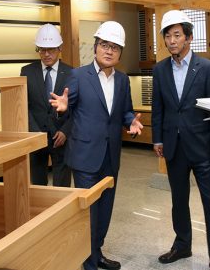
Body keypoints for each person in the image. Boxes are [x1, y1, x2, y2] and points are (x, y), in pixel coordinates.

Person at [50, 21, 143, 270]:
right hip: (84, 155)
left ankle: (97, 252)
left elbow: (124, 111)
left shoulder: (123, 81)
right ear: (95, 47)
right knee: (88, 211)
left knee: (105, 208)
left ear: (120, 52)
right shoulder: (79, 75)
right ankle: (88, 262)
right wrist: (63, 108)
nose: (109, 51)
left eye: (115, 47)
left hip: (111, 156)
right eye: (104, 45)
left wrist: (131, 122)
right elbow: (66, 106)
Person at [151, 10, 210, 270]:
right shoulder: (160, 68)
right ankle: (182, 245)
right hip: (173, 145)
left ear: (189, 37)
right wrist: (158, 139)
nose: (172, 41)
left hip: (202, 145)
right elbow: (158, 107)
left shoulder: (207, 67)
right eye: (167, 36)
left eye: (177, 35)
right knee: (178, 200)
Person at [20, 24, 73, 187]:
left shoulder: (72, 73)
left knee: (62, 188)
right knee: (37, 186)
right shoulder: (27, 71)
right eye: (42, 50)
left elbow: (77, 108)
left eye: (51, 49)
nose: (46, 54)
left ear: (60, 48)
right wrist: (35, 133)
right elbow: (24, 106)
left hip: (61, 139)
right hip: (37, 138)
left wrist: (65, 131)